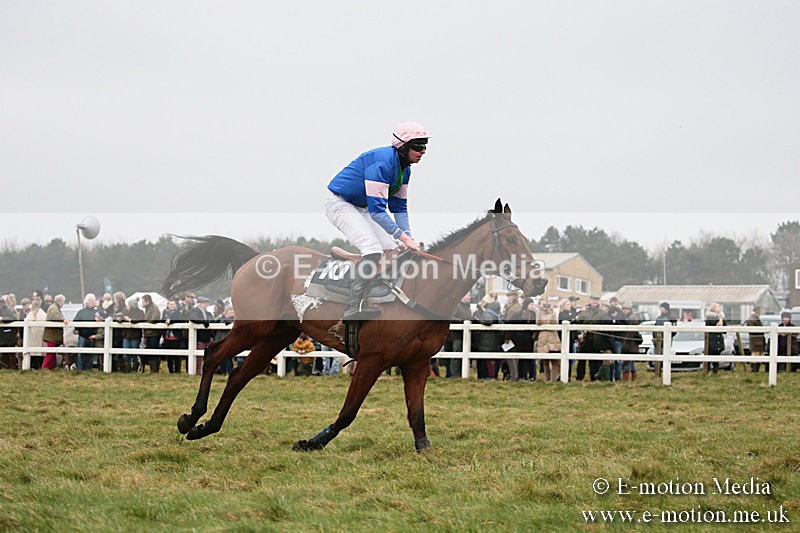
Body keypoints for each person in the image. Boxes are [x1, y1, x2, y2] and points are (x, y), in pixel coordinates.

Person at [325, 121, 429, 321]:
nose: (422, 151)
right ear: (402, 146)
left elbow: (399, 207)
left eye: (425, 146)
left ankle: (376, 294)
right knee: (372, 248)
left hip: (361, 207)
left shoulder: (405, 169)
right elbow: (378, 212)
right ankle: (352, 308)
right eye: (417, 146)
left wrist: (407, 236)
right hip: (340, 203)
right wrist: (405, 239)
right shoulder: (382, 163)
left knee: (392, 249)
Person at [575, 295, 612, 381]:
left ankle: (594, 377)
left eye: (596, 300)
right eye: (593, 300)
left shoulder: (602, 313)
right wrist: (579, 335)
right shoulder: (584, 312)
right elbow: (578, 324)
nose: (594, 301)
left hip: (596, 340)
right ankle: (580, 377)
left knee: (595, 360)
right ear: (590, 300)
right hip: (585, 339)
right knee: (581, 360)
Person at [510, 297, 537, 381]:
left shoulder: (533, 314)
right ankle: (522, 375)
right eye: (531, 304)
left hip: (529, 339)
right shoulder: (518, 314)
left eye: (533, 304)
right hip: (520, 340)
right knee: (521, 358)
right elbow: (512, 324)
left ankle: (532, 375)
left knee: (530, 358)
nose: (532, 306)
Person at [535, 300, 562, 382]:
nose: (545, 306)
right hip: (543, 339)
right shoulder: (539, 313)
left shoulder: (553, 313)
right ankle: (548, 379)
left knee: (554, 361)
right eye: (543, 304)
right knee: (545, 361)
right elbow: (538, 322)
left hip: (553, 338)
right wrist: (540, 312)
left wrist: (551, 313)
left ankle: (554, 379)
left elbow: (554, 323)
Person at [73, 293, 100, 370]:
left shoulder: (96, 312)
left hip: (91, 336)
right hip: (82, 336)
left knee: (90, 354)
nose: (92, 302)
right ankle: (80, 369)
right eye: (91, 301)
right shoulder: (81, 312)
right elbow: (75, 322)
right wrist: (79, 329)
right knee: (80, 353)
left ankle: (88, 369)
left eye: (93, 301)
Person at [188, 296, 214, 373]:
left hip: (207, 336)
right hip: (200, 337)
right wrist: (203, 322)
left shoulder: (207, 313)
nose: (206, 305)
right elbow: (193, 318)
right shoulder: (195, 311)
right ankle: (197, 370)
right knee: (199, 356)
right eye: (204, 303)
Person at [120, 296, 144, 372]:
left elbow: (140, 320)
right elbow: (119, 318)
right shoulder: (125, 312)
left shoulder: (140, 312)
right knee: (125, 353)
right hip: (126, 335)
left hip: (135, 335)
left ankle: (135, 367)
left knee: (134, 352)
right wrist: (120, 319)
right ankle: (127, 368)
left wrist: (130, 320)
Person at [42, 295, 67, 369]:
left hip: (52, 335)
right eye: (63, 302)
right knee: (50, 352)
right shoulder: (54, 308)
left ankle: (51, 367)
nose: (63, 304)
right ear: (60, 301)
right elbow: (55, 317)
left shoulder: (55, 307)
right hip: (51, 335)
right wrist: (63, 319)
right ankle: (45, 367)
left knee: (52, 352)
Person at [140, 294, 163, 373]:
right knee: (149, 350)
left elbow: (154, 319)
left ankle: (154, 369)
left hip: (154, 333)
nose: (142, 303)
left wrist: (144, 323)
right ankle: (152, 368)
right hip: (148, 333)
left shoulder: (154, 308)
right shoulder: (147, 308)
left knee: (153, 350)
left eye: (143, 301)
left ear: (147, 301)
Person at [162, 298, 185, 374]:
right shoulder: (164, 312)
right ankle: (170, 370)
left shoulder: (178, 313)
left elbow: (180, 320)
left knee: (177, 355)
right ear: (167, 305)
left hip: (176, 336)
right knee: (169, 355)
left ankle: (177, 370)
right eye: (170, 304)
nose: (172, 305)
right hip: (167, 336)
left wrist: (171, 321)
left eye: (173, 304)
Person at [606, 297, 626, 381]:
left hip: (618, 339)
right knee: (610, 360)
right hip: (609, 339)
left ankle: (618, 378)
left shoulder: (621, 314)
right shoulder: (607, 313)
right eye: (612, 302)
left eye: (615, 302)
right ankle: (610, 377)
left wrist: (616, 320)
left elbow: (625, 324)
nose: (614, 304)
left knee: (618, 360)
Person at [24, 300, 48, 369]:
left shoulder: (30, 314)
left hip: (33, 338)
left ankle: (33, 367)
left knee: (33, 353)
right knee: (41, 353)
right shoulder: (43, 314)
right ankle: (41, 367)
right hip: (41, 337)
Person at [620, 302, 641, 381]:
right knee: (631, 364)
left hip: (630, 344)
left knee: (626, 363)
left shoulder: (631, 318)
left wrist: (626, 343)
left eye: (626, 309)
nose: (625, 310)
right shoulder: (631, 317)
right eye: (624, 309)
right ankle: (633, 379)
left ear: (630, 309)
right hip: (632, 344)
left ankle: (625, 380)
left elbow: (630, 333)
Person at [704, 302, 726, 374]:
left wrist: (722, 319)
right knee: (709, 356)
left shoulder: (721, 317)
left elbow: (724, 328)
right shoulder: (710, 317)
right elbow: (711, 325)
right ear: (713, 308)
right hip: (712, 339)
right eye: (718, 307)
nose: (719, 308)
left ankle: (715, 372)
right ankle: (706, 371)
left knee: (717, 357)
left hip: (719, 339)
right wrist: (719, 319)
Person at [744, 306, 766, 373]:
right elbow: (753, 331)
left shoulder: (757, 319)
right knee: (755, 356)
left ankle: (756, 370)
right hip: (755, 341)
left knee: (760, 356)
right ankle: (754, 370)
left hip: (759, 341)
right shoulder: (752, 320)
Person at [0, 296, 19, 369]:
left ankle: (12, 368)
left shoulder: (9, 310)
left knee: (11, 354)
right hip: (2, 336)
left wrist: (3, 319)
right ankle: (4, 368)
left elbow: (14, 318)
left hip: (9, 336)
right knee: (3, 354)